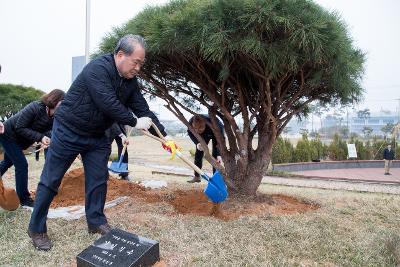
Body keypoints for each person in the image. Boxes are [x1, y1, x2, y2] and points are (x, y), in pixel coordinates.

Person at [28, 34, 175, 251]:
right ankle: (36, 228)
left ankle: (96, 221)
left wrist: (165, 136)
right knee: (51, 180)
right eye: (136, 62)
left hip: (97, 136)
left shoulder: (130, 82)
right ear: (120, 55)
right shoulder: (96, 69)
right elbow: (108, 103)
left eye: (141, 64)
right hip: (69, 130)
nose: (138, 68)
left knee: (98, 180)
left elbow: (142, 108)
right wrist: (134, 121)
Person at [0, 89, 65, 207]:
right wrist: (40, 137)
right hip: (8, 135)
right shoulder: (35, 107)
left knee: (7, 162)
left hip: (20, 141)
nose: (65, 105)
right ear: (55, 100)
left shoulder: (55, 117)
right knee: (22, 165)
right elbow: (20, 127)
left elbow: (54, 131)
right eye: (63, 102)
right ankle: (24, 199)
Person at [187, 114, 224, 183]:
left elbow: (220, 140)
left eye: (200, 128)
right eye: (195, 128)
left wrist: (219, 154)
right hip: (203, 135)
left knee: (215, 157)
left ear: (205, 124)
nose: (197, 130)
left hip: (215, 133)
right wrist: (197, 143)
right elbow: (190, 132)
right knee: (198, 154)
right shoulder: (191, 121)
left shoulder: (216, 124)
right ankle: (197, 176)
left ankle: (215, 179)